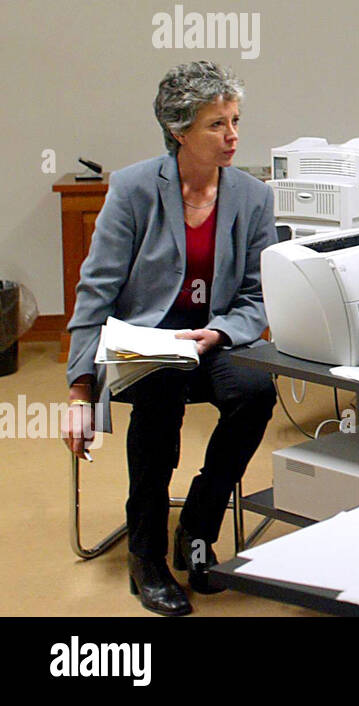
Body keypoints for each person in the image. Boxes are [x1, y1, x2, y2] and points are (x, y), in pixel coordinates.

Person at [62, 61, 278, 616]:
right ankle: (147, 553)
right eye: (216, 125)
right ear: (179, 131)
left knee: (256, 391)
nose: (233, 136)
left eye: (236, 120)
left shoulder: (252, 196)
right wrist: (79, 392)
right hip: (146, 344)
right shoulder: (134, 188)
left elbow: (257, 296)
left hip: (212, 340)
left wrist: (221, 331)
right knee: (160, 401)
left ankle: (199, 526)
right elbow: (96, 291)